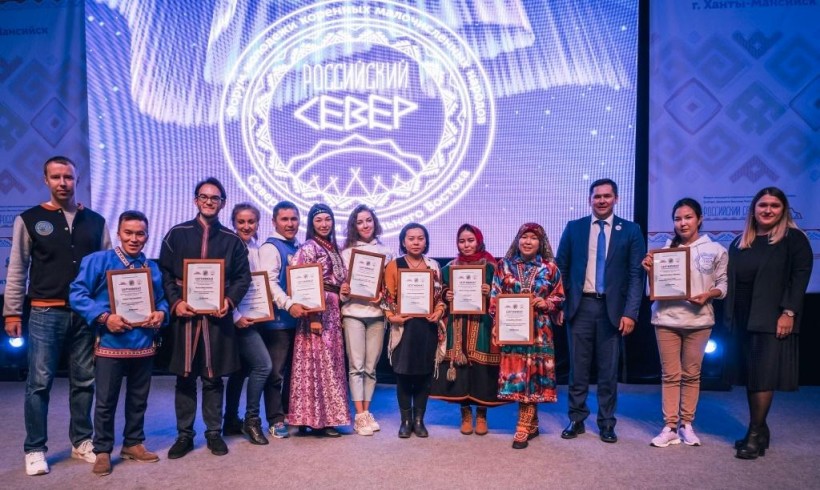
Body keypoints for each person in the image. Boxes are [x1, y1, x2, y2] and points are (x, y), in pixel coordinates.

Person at [4, 156, 111, 476]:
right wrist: (12, 312)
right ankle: (35, 448)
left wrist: (105, 312)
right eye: (56, 177)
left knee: (84, 381)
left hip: (85, 315)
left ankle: (82, 441)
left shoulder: (96, 221)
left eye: (68, 177)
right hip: (44, 312)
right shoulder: (30, 219)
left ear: (77, 180)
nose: (63, 182)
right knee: (38, 384)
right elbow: (17, 268)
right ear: (46, 180)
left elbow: (107, 272)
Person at [69, 210, 170, 476]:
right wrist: (104, 317)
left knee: (138, 399)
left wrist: (161, 314)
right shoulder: (98, 261)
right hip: (110, 343)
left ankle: (133, 443)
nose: (134, 239)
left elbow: (161, 300)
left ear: (147, 236)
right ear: (118, 233)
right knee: (106, 400)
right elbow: (77, 294)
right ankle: (103, 450)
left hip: (143, 343)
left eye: (140, 234)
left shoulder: (152, 268)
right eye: (128, 233)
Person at [159, 177, 251, 459]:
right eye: (204, 196)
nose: (209, 201)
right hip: (185, 317)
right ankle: (184, 436)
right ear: (196, 200)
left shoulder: (232, 240)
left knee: (213, 377)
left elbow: (242, 277)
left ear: (222, 203)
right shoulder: (177, 234)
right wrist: (175, 302)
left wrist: (229, 301)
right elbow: (164, 273)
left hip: (217, 317)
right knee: (185, 377)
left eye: (215, 198)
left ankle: (213, 433)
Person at [724, 187, 812, 460]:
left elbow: (800, 277)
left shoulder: (793, 239)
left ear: (783, 210)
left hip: (772, 317)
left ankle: (754, 433)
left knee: (763, 376)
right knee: (752, 376)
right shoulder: (740, 242)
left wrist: (789, 313)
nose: (768, 210)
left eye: (775, 205)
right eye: (763, 205)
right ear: (753, 209)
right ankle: (761, 430)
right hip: (743, 317)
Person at [556, 178, 645, 443]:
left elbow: (636, 275)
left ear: (616, 199)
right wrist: (560, 304)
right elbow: (561, 269)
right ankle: (576, 418)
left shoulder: (631, 230)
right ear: (589, 200)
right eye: (597, 196)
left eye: (607, 196)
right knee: (578, 369)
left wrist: (630, 312)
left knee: (608, 371)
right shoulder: (574, 228)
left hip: (612, 310)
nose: (602, 200)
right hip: (580, 306)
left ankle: (606, 422)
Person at [641, 199, 728, 448]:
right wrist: (650, 271)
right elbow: (652, 292)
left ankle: (686, 424)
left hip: (699, 320)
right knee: (670, 375)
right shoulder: (664, 251)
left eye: (688, 217)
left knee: (691, 375)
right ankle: (670, 427)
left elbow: (723, 285)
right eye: (678, 219)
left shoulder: (716, 249)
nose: (683, 223)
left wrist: (708, 294)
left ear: (699, 219)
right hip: (666, 319)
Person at [490, 223, 564, 449]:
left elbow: (560, 296)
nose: (528, 241)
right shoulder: (504, 265)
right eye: (524, 237)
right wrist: (496, 325)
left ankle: (522, 427)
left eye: (533, 237)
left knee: (534, 375)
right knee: (519, 376)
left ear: (541, 243)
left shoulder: (550, 268)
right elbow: (495, 295)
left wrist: (547, 302)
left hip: (539, 331)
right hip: (512, 330)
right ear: (518, 240)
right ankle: (531, 424)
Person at [431, 224, 506, 436]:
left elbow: (505, 293)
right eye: (462, 241)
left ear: (479, 241)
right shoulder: (450, 267)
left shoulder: (492, 267)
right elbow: (439, 291)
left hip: (483, 325)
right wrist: (446, 294)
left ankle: (481, 415)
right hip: (458, 324)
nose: (466, 245)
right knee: (461, 369)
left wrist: (490, 291)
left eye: (470, 240)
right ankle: (465, 414)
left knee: (481, 369)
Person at [288, 203, 351, 436]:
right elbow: (302, 282)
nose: (324, 224)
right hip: (317, 311)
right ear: (311, 224)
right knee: (317, 363)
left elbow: (336, 279)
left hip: (332, 310)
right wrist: (313, 315)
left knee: (330, 363)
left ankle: (326, 418)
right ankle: (317, 420)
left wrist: (343, 289)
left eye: (328, 219)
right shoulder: (308, 247)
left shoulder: (334, 247)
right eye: (318, 220)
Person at [383, 223, 446, 438]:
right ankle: (405, 420)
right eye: (411, 239)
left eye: (420, 238)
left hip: (427, 326)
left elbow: (439, 297)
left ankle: (419, 420)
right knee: (403, 375)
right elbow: (387, 297)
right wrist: (391, 316)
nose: (416, 242)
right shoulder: (394, 265)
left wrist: (439, 311)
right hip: (403, 326)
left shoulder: (433, 265)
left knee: (424, 375)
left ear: (426, 241)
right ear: (403, 241)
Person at [339, 205, 394, 436]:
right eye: (360, 222)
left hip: (377, 315)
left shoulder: (387, 252)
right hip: (353, 313)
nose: (365, 225)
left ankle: (367, 411)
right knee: (357, 366)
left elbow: (390, 287)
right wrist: (344, 290)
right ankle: (359, 415)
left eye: (368, 220)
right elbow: (342, 286)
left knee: (371, 368)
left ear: (375, 222)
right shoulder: (346, 253)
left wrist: (383, 294)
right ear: (354, 225)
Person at [223, 203, 273, 445]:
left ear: (257, 223)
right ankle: (251, 420)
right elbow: (224, 284)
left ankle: (231, 419)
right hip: (238, 318)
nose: (246, 226)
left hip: (255, 316)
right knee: (263, 365)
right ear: (233, 223)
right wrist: (235, 316)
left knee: (241, 370)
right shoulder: (230, 246)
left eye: (251, 222)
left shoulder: (256, 247)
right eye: (241, 222)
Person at [257, 200, 307, 439]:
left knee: (291, 372)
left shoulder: (297, 246)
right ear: (274, 221)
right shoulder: (271, 248)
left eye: (294, 219)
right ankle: (275, 419)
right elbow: (269, 283)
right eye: (284, 219)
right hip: (277, 321)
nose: (290, 223)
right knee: (275, 373)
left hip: (296, 320)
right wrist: (288, 304)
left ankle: (288, 412)